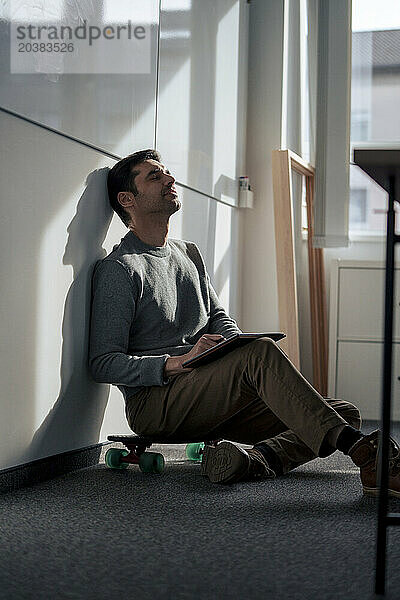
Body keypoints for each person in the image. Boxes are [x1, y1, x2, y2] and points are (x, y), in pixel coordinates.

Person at [89, 149, 400, 495]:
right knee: (267, 359)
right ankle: (364, 454)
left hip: (209, 390)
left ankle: (257, 461)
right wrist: (176, 363)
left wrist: (232, 346)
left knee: (342, 412)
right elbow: (102, 364)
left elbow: (218, 317)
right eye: (154, 177)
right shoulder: (119, 268)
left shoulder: (188, 253)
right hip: (156, 403)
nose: (169, 179)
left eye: (166, 173)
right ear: (127, 199)